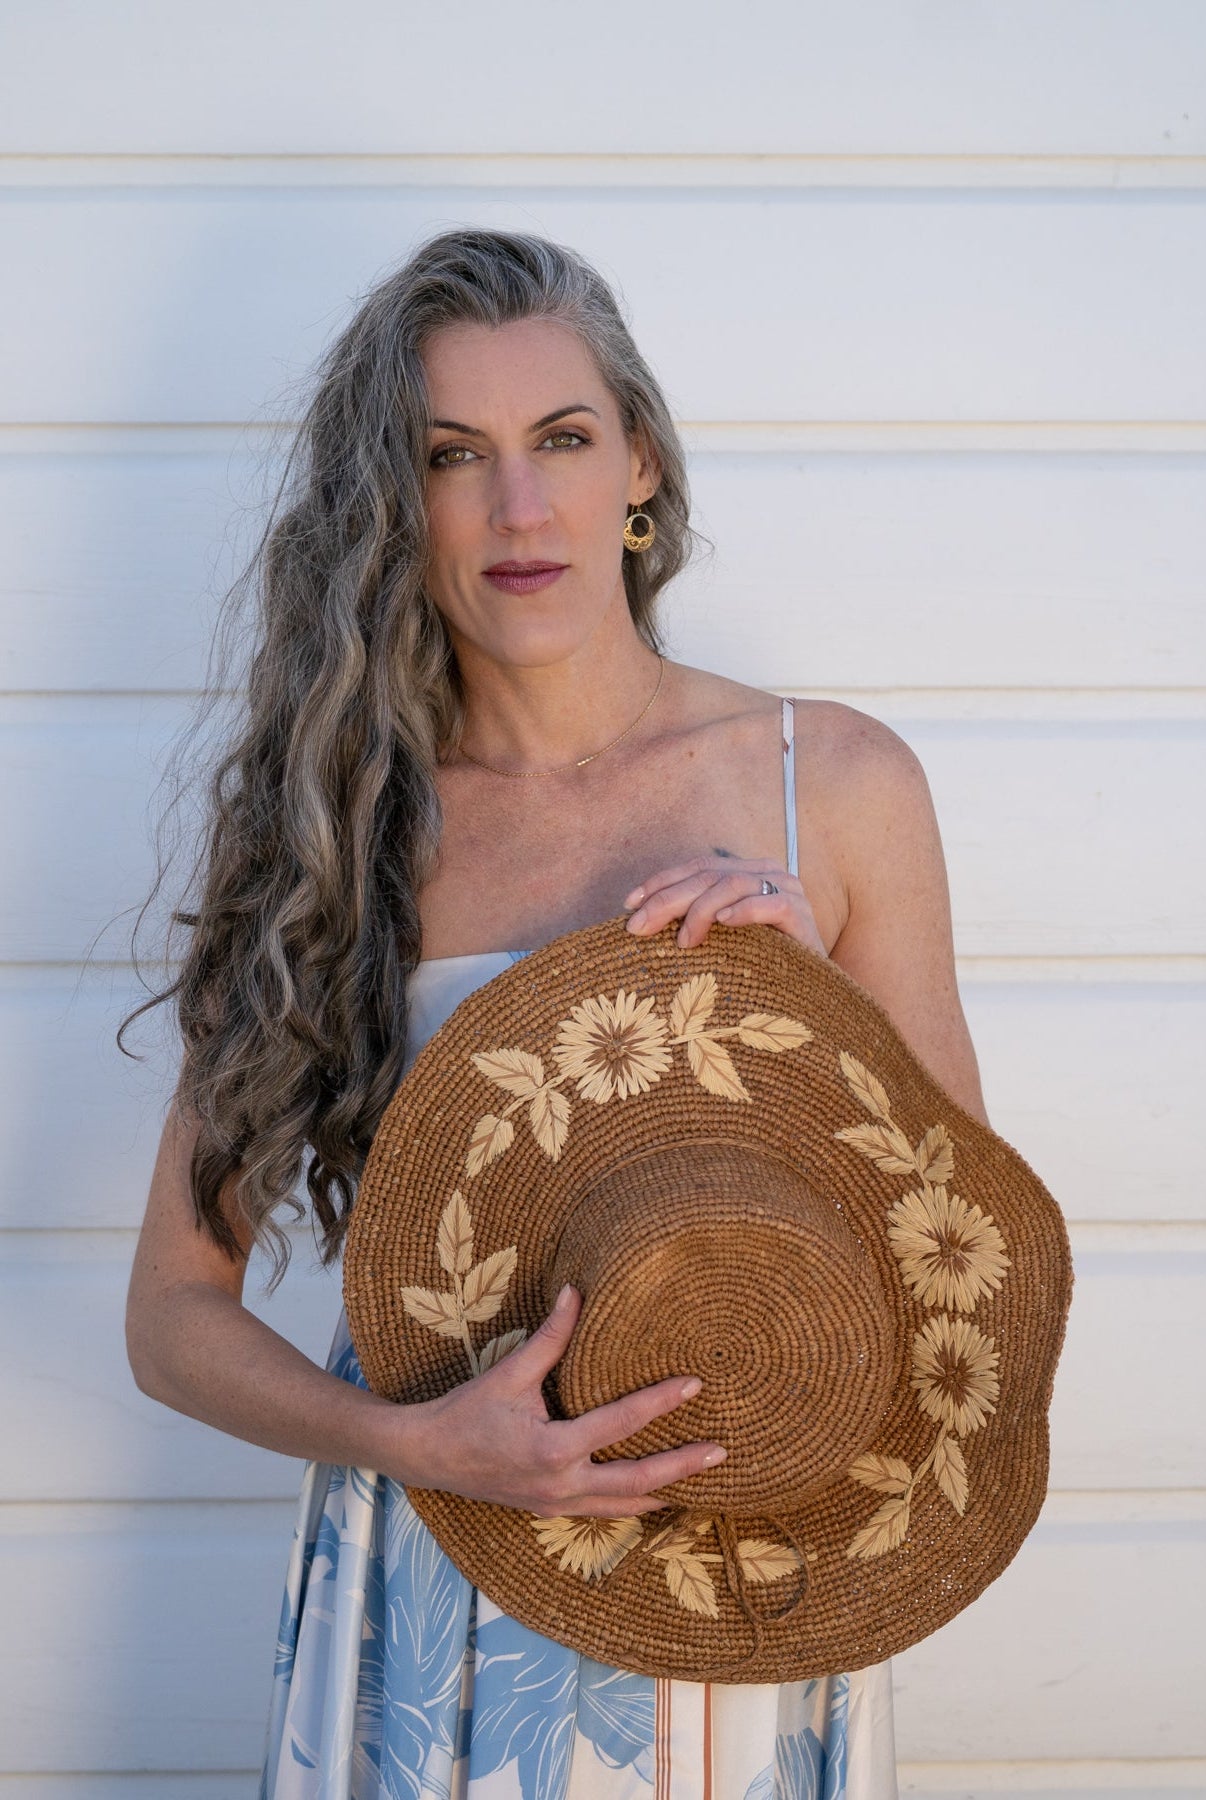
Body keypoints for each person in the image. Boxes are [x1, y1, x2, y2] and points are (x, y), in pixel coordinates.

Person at [123, 227, 988, 1799]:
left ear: (639, 467)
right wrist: (416, 1446)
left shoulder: (836, 786)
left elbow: (966, 1272)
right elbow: (172, 1319)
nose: (519, 508)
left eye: (562, 440)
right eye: (452, 457)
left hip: (749, 1557)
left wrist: (814, 1030)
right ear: (396, 507)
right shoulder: (332, 832)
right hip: (430, 1553)